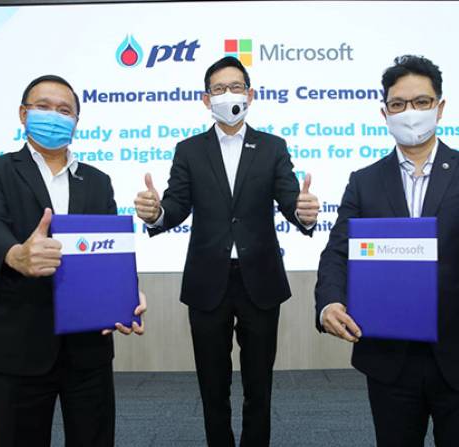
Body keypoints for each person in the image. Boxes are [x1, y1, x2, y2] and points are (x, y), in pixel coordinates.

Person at [315, 55, 459, 446]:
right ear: (385, 113)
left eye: (421, 102)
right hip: (390, 359)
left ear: (439, 108)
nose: (410, 112)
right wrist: (329, 302)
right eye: (398, 104)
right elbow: (337, 254)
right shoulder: (364, 181)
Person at [134, 56, 320, 446]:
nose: (228, 94)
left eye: (235, 87)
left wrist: (303, 213)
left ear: (250, 95)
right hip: (207, 282)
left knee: (259, 385)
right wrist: (156, 213)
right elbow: (176, 205)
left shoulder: (272, 147)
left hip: (260, 281)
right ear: (206, 99)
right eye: (219, 89)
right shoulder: (189, 150)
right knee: (212, 385)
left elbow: (291, 200)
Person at [0, 74, 146, 447]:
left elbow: (108, 253)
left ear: (76, 122)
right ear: (23, 114)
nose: (54, 116)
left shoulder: (98, 181)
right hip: (19, 342)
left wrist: (126, 295)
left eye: (65, 110)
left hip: (88, 348)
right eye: (43, 107)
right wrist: (16, 254)